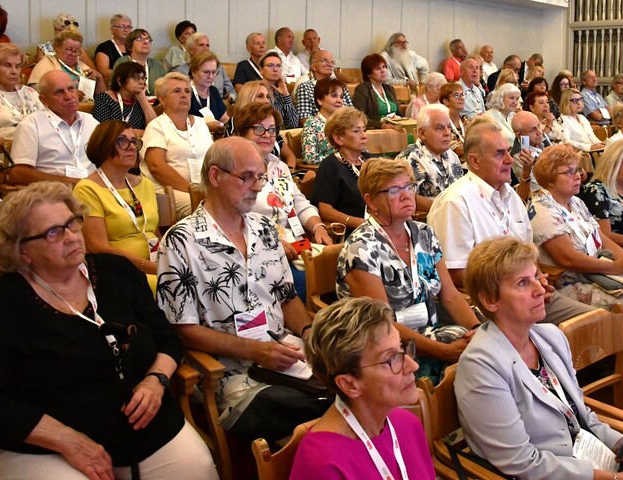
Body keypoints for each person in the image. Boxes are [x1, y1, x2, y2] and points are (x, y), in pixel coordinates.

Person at [0, 181, 217, 480]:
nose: (71, 237)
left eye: (72, 223)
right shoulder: (2, 302)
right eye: (53, 233)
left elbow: (167, 339)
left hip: (143, 425)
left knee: (196, 469)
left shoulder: (117, 272)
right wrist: (65, 439)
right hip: (46, 444)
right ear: (22, 252)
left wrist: (155, 381)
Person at [456, 236, 623, 480]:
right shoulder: (480, 366)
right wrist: (617, 479)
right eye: (523, 283)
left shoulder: (550, 337)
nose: (540, 289)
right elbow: (521, 463)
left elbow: (581, 415)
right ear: (490, 300)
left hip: (590, 463)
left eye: (536, 277)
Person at [158, 136, 326, 443]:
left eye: (260, 176)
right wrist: (257, 352)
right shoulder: (181, 241)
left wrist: (309, 336)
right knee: (316, 410)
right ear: (215, 175)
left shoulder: (264, 229)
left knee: (352, 378)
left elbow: (286, 297)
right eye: (247, 177)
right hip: (230, 376)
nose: (258, 186)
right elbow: (184, 330)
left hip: (284, 356)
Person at [428, 118, 594, 325]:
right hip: (495, 304)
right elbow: (456, 273)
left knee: (599, 323)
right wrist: (520, 284)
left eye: (508, 151)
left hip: (530, 294)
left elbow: (528, 250)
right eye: (499, 154)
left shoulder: (512, 197)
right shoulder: (455, 202)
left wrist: (538, 277)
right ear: (475, 161)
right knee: (588, 329)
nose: (509, 159)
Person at [338, 158, 479, 381]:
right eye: (394, 190)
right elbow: (382, 324)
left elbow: (450, 295)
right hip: (384, 348)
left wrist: (477, 330)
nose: (407, 195)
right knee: (473, 363)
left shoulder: (424, 233)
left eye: (409, 187)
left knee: (482, 346)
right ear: (371, 201)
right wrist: (444, 352)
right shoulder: (361, 249)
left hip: (430, 332)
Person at [292, 297, 435, 479]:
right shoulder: (322, 465)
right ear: (349, 384)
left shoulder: (407, 424)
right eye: (391, 359)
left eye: (401, 348)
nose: (412, 365)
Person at [530, 144, 623, 308]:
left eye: (577, 170)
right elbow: (568, 259)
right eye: (569, 172)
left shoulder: (575, 202)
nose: (577, 176)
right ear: (549, 178)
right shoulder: (542, 209)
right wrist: (615, 267)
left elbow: (601, 237)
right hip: (570, 282)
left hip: (599, 272)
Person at [73, 120, 160, 294]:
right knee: (175, 285)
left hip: (156, 262)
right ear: (103, 146)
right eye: (122, 141)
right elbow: (98, 248)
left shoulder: (145, 185)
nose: (132, 147)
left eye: (134, 141)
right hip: (119, 270)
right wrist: (151, 267)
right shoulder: (87, 189)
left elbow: (153, 232)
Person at [231, 102, 330, 247]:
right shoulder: (232, 172)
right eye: (259, 129)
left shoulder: (280, 166)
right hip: (259, 248)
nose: (267, 135)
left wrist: (318, 227)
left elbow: (299, 203)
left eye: (272, 130)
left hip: (296, 244)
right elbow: (233, 221)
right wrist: (274, 244)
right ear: (241, 133)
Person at [140, 72, 214, 217]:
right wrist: (192, 190)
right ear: (162, 99)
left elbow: (213, 158)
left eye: (187, 91)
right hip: (168, 191)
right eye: (176, 91)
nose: (184, 95)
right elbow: (157, 167)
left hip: (202, 188)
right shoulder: (156, 126)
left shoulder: (200, 123)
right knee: (207, 209)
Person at [8, 71, 99, 187]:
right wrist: (67, 182)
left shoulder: (91, 121)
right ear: (44, 100)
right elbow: (18, 173)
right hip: (54, 194)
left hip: (93, 190)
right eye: (59, 92)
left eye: (71, 89)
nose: (68, 96)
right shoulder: (31, 125)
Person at [310, 107, 372, 232]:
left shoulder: (372, 161)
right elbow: (325, 210)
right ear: (338, 138)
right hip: (353, 231)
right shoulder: (330, 166)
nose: (364, 136)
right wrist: (357, 222)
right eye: (356, 131)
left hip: (382, 225)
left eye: (364, 130)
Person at [396, 104, 464, 211]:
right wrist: (444, 209)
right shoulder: (409, 159)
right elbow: (406, 197)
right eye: (440, 128)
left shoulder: (452, 155)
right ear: (422, 133)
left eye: (449, 127)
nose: (447, 133)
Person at [233, 82, 299, 170]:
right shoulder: (235, 124)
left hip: (277, 173)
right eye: (260, 96)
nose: (266, 100)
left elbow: (290, 156)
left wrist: (288, 171)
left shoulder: (270, 127)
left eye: (267, 96)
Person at [27, 30, 104, 100]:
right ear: (57, 47)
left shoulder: (82, 66)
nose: (73, 54)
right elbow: (34, 91)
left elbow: (103, 98)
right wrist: (68, 94)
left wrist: (99, 78)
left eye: (76, 51)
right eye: (69, 50)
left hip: (87, 109)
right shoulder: (45, 64)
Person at [293, 49, 354, 125]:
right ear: (313, 66)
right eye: (324, 61)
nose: (330, 65)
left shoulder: (341, 87)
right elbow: (304, 119)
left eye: (332, 62)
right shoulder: (305, 87)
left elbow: (352, 113)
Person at [92, 61, 157, 130]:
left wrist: (142, 98)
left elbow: (154, 129)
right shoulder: (104, 98)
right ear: (120, 81)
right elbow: (102, 130)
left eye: (143, 78)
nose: (141, 82)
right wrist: (134, 133)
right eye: (136, 78)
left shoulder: (140, 101)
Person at [171, 33, 235, 101]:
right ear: (190, 50)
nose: (206, 48)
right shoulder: (180, 71)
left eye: (207, 45)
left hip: (220, 104)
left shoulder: (218, 68)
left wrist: (231, 98)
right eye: (201, 45)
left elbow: (231, 91)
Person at [301, 77, 345, 166]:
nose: (339, 100)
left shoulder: (346, 122)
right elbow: (309, 158)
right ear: (320, 100)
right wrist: (343, 158)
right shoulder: (312, 124)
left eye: (341, 97)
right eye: (334, 95)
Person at [111, 30, 167, 98]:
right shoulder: (123, 63)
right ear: (129, 46)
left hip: (155, 105)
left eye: (148, 40)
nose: (145, 42)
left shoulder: (157, 64)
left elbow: (165, 89)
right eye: (140, 39)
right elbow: (114, 89)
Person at [352, 54, 401, 129]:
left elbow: (399, 113)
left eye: (384, 67)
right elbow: (359, 117)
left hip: (394, 128)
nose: (383, 71)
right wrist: (381, 125)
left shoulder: (390, 89)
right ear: (368, 74)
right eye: (378, 68)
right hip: (375, 130)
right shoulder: (362, 89)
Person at [187, 52, 229, 133]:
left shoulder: (213, 91)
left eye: (214, 72)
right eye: (206, 72)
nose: (210, 77)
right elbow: (181, 124)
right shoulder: (185, 92)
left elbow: (224, 118)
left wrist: (224, 126)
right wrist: (206, 126)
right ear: (193, 72)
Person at [256, 51, 300, 130]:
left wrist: (286, 95)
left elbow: (293, 124)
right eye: (270, 66)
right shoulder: (255, 91)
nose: (275, 69)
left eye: (279, 66)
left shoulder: (280, 93)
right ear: (261, 70)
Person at [93, 14, 132, 84]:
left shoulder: (133, 47)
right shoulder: (104, 47)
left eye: (129, 27)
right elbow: (104, 71)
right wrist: (127, 77)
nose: (126, 30)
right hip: (114, 84)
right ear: (112, 30)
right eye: (122, 27)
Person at [440, 82, 468, 157]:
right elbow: (456, 150)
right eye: (456, 95)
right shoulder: (443, 124)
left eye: (462, 94)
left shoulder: (466, 120)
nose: (461, 98)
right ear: (446, 101)